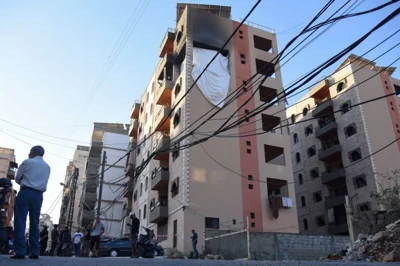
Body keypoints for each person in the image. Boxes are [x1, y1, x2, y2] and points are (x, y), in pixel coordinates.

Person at [11, 146, 51, 260]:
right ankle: (34, 252)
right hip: (38, 195)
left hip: (25, 192)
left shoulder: (27, 162)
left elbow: (17, 178)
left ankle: (20, 251)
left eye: (30, 151)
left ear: (33, 152)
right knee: (35, 222)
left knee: (20, 221)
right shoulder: (47, 167)